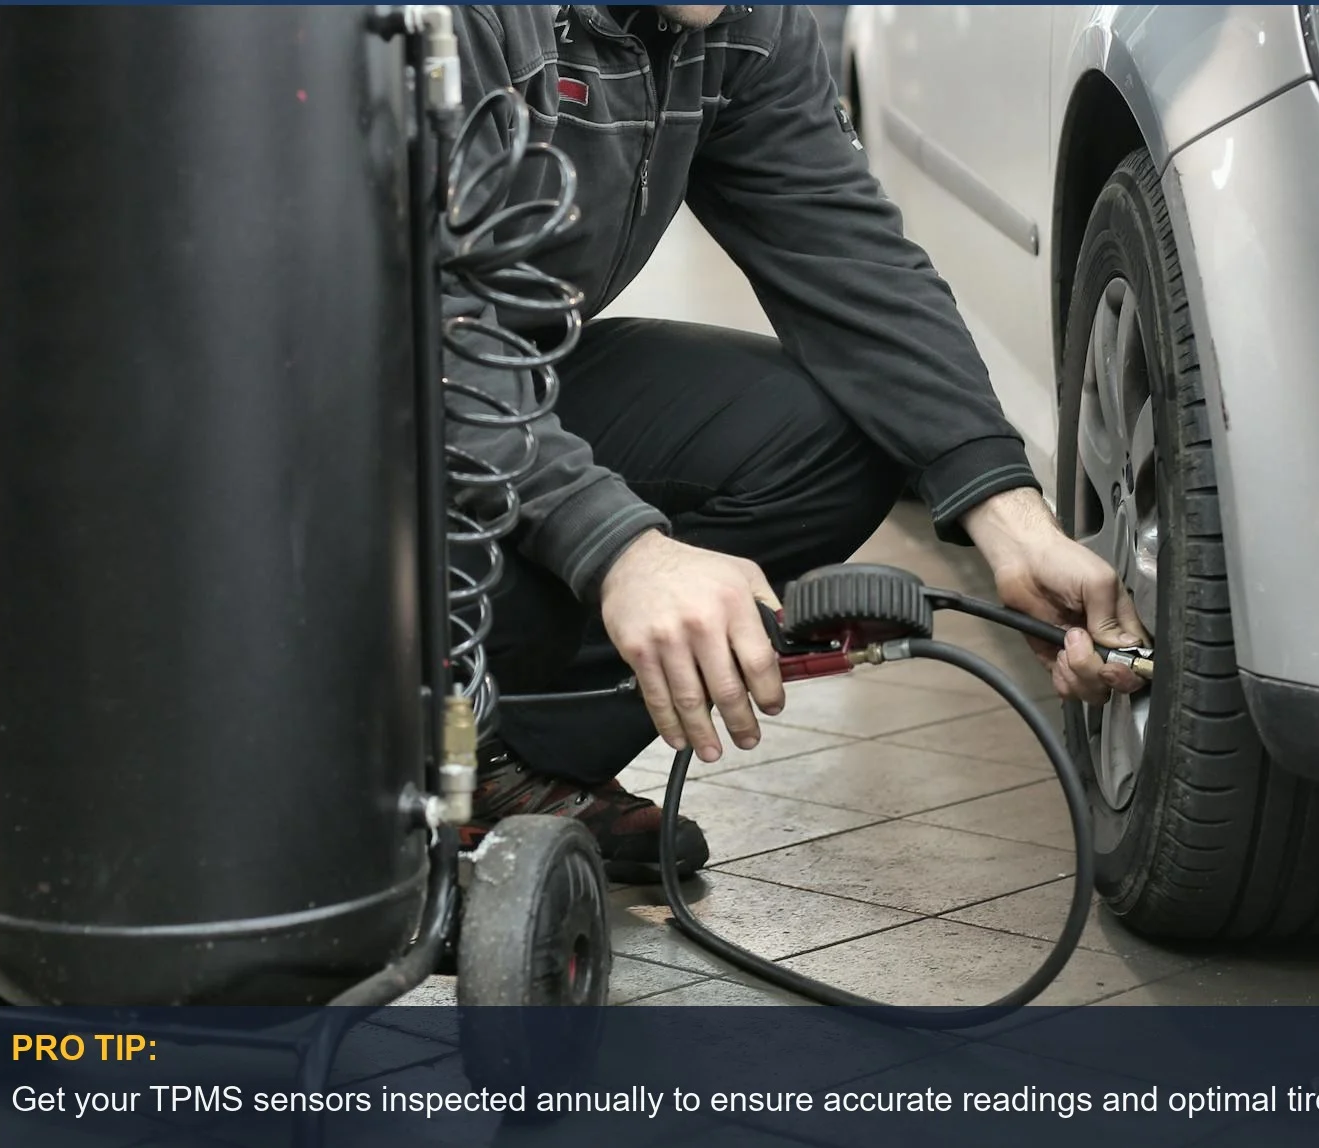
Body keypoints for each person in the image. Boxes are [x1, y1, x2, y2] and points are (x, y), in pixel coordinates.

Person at [448, 4, 1148, 882]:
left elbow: (847, 256)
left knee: (832, 439)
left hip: (497, 374)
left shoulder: (736, 20)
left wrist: (1010, 518)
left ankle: (497, 756)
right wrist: (620, 548)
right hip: (313, 418)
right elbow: (404, 326)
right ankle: (349, 722)